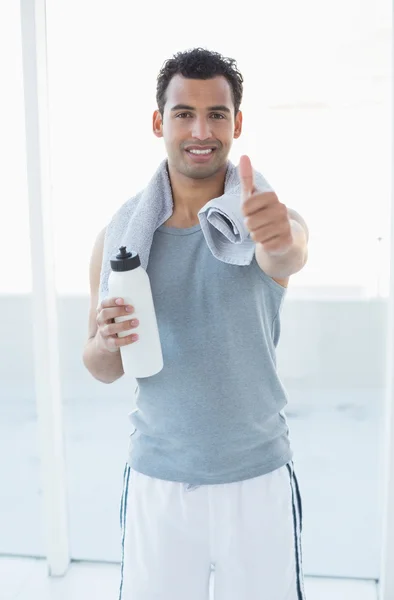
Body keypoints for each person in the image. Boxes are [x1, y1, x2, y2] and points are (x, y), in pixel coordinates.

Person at [83, 47, 309, 600]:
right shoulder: (121, 238)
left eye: (217, 113)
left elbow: (287, 253)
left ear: (237, 123)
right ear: (160, 122)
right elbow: (99, 365)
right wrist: (108, 340)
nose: (201, 129)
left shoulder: (264, 218)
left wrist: (280, 238)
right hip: (159, 481)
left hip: (257, 480)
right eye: (184, 112)